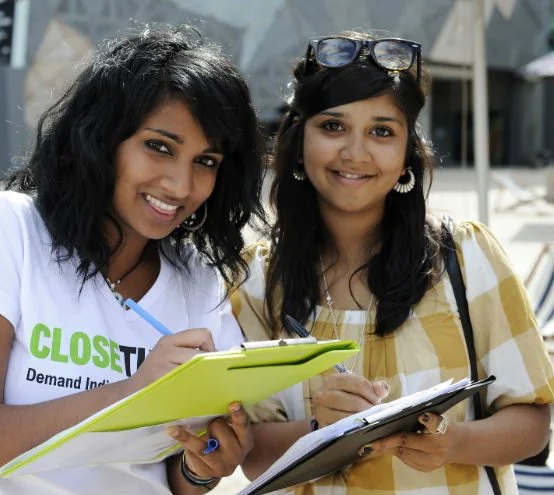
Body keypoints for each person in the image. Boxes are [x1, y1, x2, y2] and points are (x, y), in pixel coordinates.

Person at [0, 26, 266, 494]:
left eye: (206, 161)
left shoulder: (198, 281)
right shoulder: (8, 232)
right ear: (100, 137)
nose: (180, 185)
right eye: (159, 147)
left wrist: (202, 468)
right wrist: (132, 393)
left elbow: (173, 474)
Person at [232, 32, 554, 493]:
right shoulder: (256, 281)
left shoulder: (466, 255)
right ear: (300, 143)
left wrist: (454, 441)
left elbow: (533, 423)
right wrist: (319, 425)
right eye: (333, 127)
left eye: (381, 131)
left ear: (407, 154)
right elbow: (254, 456)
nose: (355, 153)